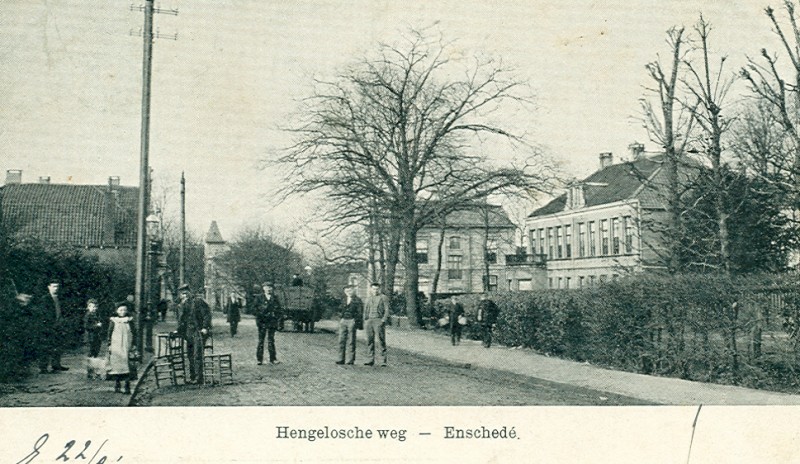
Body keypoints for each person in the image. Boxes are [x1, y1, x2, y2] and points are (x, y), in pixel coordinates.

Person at [176, 283, 212, 383]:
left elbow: (207, 315)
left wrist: (205, 327)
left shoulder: (198, 302)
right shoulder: (181, 305)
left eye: (186, 293)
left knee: (197, 354)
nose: (184, 295)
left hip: (198, 331)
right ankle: (192, 377)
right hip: (188, 333)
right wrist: (178, 330)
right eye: (182, 294)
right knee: (190, 355)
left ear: (189, 292)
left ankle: (199, 377)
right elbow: (181, 320)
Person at [37, 278, 69, 373]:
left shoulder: (60, 299)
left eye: (57, 286)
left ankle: (56, 365)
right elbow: (43, 315)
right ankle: (43, 368)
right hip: (48, 327)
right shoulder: (45, 299)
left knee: (57, 346)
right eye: (54, 286)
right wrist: (47, 326)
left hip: (58, 326)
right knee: (45, 347)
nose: (56, 288)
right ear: (49, 287)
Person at [106, 303, 137, 394]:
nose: (122, 312)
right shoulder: (113, 321)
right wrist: (109, 344)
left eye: (124, 310)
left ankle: (127, 385)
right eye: (120, 310)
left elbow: (134, 332)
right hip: (116, 346)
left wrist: (134, 344)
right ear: (117, 311)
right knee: (116, 365)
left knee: (128, 364)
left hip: (127, 345)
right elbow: (109, 333)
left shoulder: (129, 321)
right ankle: (117, 384)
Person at [254, 282, 282, 365]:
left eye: (270, 287)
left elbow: (279, 310)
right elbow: (254, 309)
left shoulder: (275, 298)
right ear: (263, 288)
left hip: (271, 322)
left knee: (271, 340)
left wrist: (275, 315)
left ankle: (272, 359)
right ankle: (259, 359)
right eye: (267, 287)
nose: (269, 289)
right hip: (262, 321)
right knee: (261, 341)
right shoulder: (259, 298)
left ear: (272, 289)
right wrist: (262, 312)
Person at [362, 283, 390, 367]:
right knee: (369, 340)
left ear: (380, 289)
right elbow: (365, 309)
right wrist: (365, 319)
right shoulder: (368, 298)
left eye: (377, 289)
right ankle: (370, 360)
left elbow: (387, 309)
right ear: (371, 289)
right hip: (369, 321)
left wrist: (383, 320)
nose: (375, 290)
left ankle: (382, 361)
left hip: (378, 320)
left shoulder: (383, 297)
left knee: (381, 340)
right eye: (373, 289)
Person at [335, 286, 363, 365]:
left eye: (350, 290)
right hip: (343, 320)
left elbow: (360, 312)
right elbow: (339, 309)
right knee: (341, 340)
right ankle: (341, 359)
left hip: (351, 320)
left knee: (351, 340)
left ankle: (350, 360)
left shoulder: (357, 300)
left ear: (353, 291)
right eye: (346, 291)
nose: (348, 292)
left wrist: (355, 320)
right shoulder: (343, 299)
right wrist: (340, 317)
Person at [83, 298, 104, 376]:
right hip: (90, 336)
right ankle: (90, 370)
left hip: (96, 336)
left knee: (96, 352)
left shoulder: (97, 314)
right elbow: (86, 326)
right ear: (88, 307)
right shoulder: (88, 315)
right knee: (91, 353)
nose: (94, 308)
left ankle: (93, 369)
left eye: (96, 307)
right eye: (92, 307)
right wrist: (96, 325)